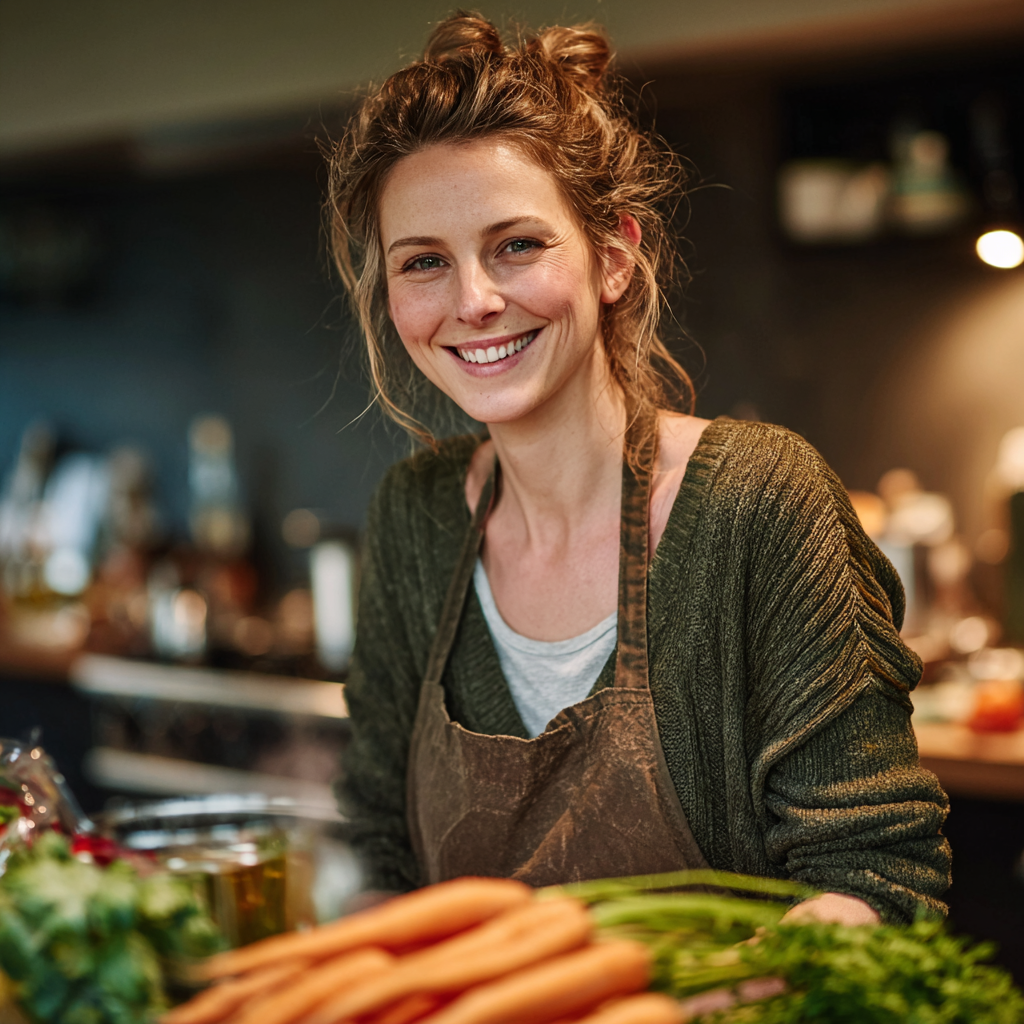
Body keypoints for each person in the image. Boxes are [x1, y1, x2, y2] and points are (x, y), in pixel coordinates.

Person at [327, 13, 951, 926]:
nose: (473, 301)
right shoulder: (415, 518)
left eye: (518, 245)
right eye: (424, 262)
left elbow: (871, 880)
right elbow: (381, 848)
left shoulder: (756, 503)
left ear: (614, 255)